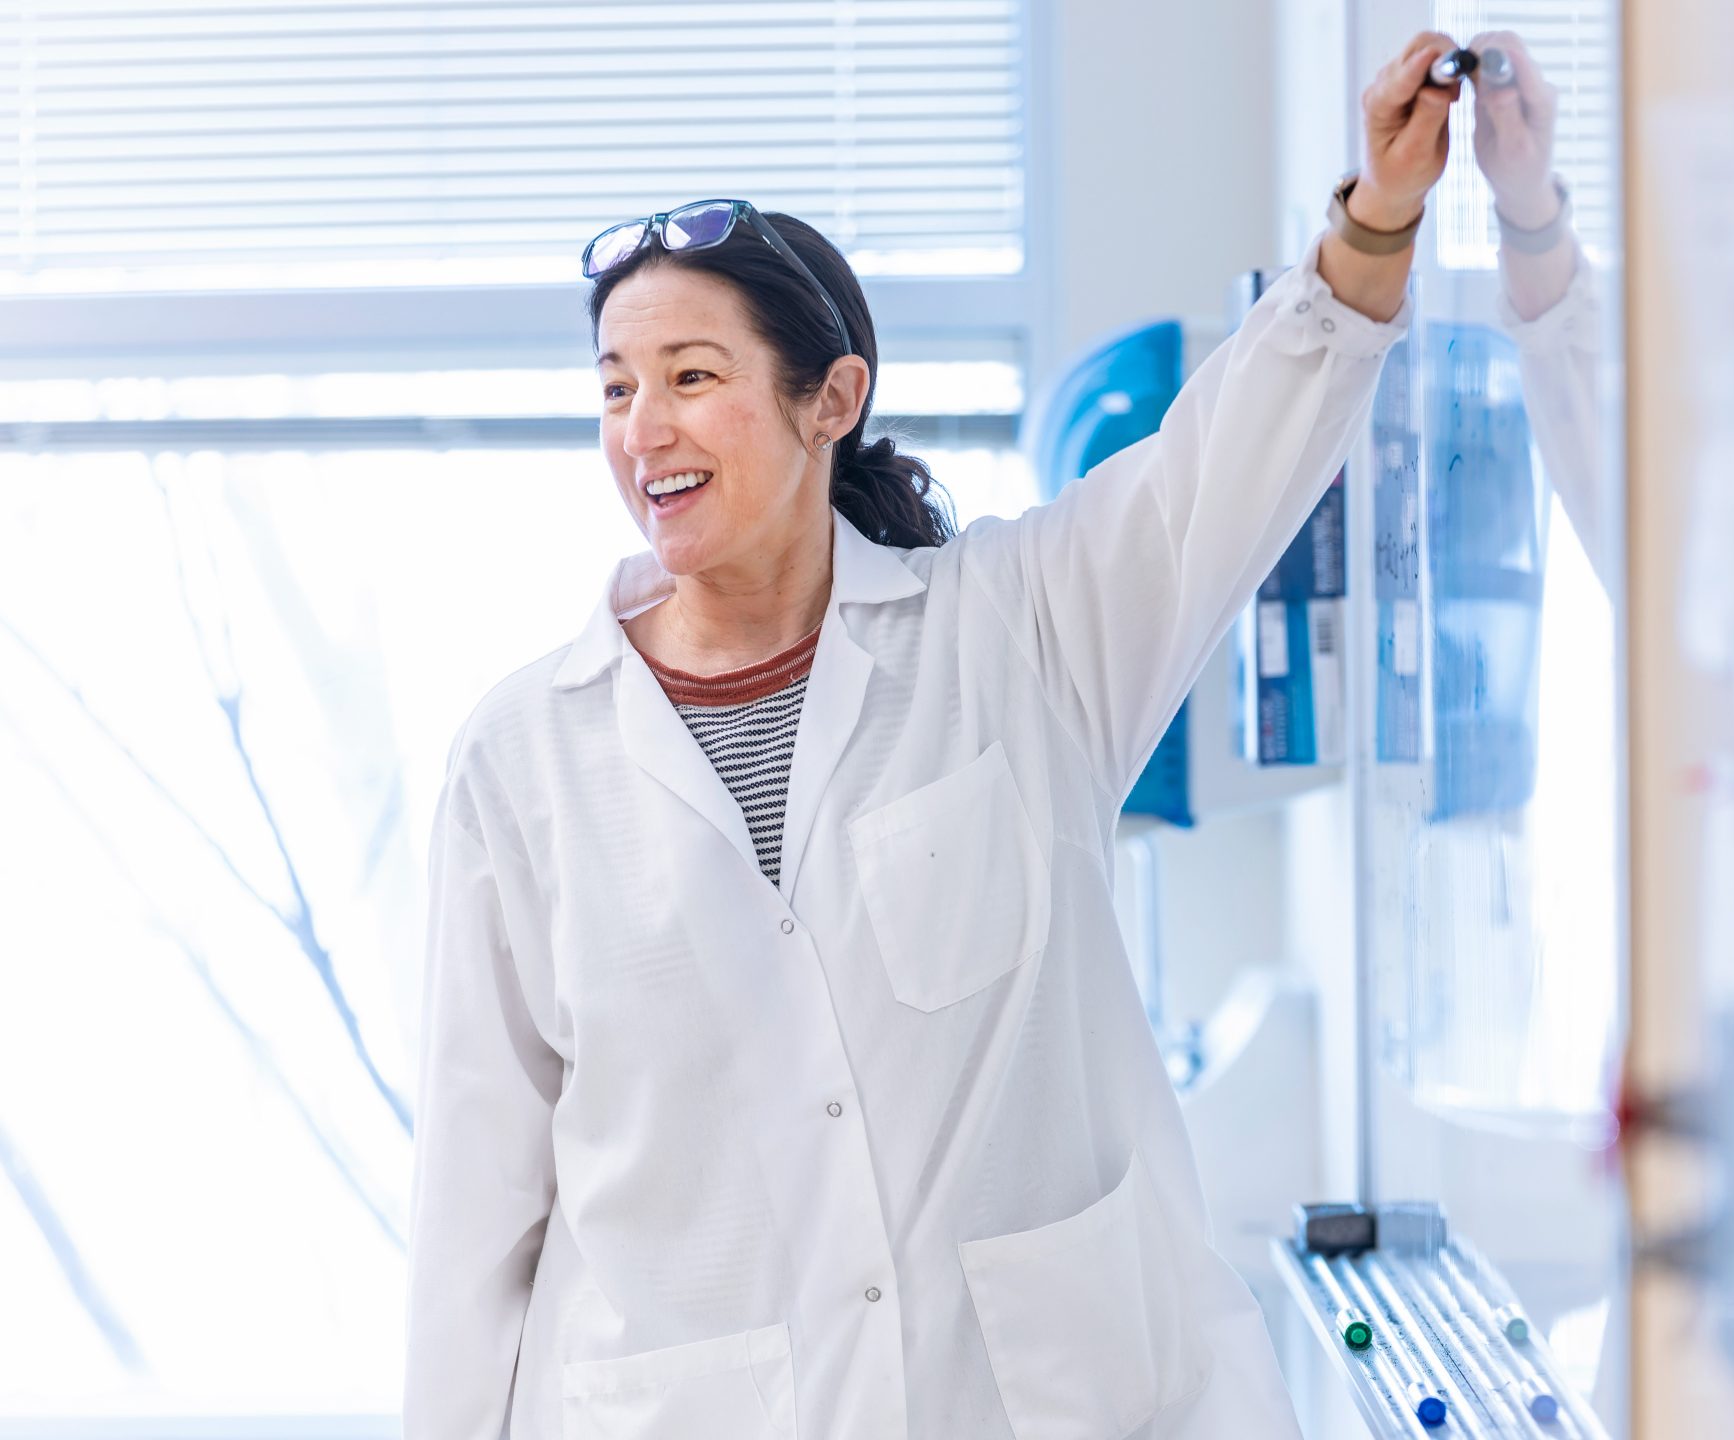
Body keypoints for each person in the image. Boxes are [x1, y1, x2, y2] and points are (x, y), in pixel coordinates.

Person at [403, 31, 1468, 1440]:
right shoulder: (523, 763)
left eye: (692, 373)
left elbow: (1227, 467)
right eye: (615, 385)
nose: (642, 426)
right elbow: (475, 1217)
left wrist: (1373, 223)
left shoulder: (1018, 634)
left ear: (830, 400)